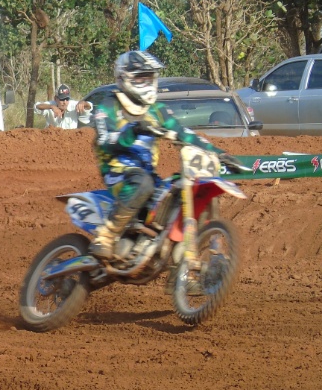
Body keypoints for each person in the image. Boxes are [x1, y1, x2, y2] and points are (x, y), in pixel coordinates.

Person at [89, 51, 239, 262]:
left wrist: (221, 154)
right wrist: (135, 130)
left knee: (186, 188)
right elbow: (106, 140)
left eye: (149, 78)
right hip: (118, 172)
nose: (147, 82)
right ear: (124, 78)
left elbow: (184, 133)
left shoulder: (157, 110)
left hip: (148, 174)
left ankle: (185, 270)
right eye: (140, 78)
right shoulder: (110, 105)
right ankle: (105, 236)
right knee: (143, 183)